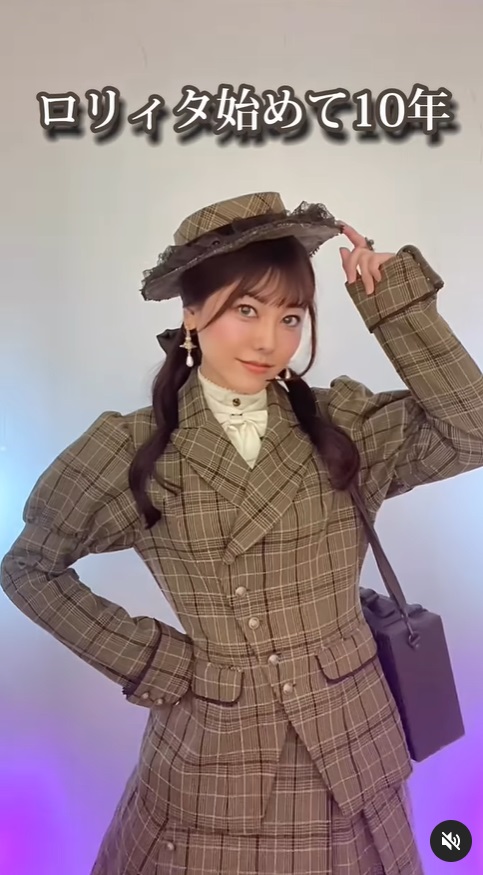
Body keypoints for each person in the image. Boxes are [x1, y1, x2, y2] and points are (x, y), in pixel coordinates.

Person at [2, 191, 483, 875]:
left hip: (351, 742)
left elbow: (472, 431)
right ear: (192, 313)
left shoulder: (341, 424)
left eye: (291, 316)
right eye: (246, 310)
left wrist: (397, 306)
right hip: (216, 752)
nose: (269, 340)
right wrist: (153, 661)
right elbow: (29, 566)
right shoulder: (134, 448)